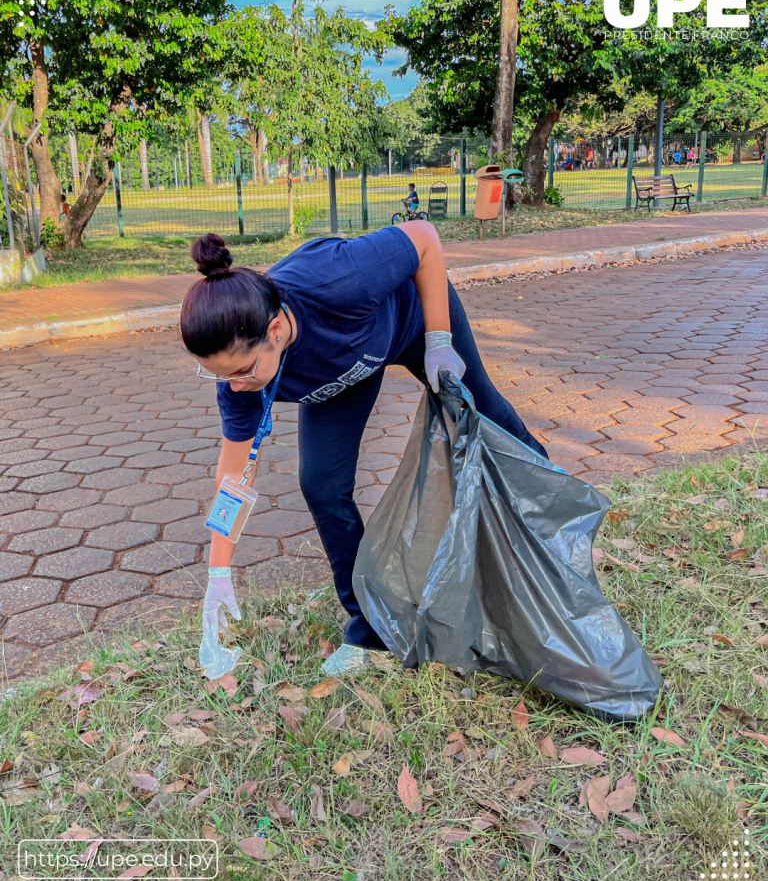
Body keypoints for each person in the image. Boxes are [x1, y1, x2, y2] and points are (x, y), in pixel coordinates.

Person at [180, 228, 548, 677]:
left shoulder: (338, 279)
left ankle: (552, 515)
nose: (235, 385)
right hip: (349, 368)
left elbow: (425, 240)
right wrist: (218, 572)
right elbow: (233, 478)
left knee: (486, 410)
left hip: (413, 318)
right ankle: (371, 629)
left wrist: (438, 342)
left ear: (274, 330)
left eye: (241, 371)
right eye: (219, 376)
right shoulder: (237, 383)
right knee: (321, 484)